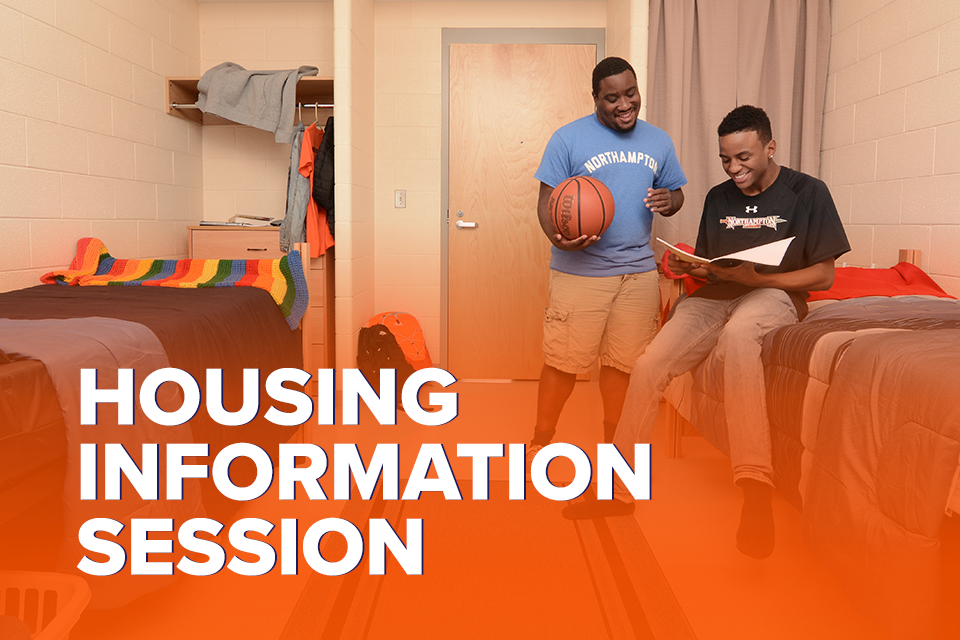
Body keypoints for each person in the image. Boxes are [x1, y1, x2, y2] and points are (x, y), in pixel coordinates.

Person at [564, 105, 850, 561]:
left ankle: (755, 489)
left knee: (739, 340)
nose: (733, 169)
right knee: (648, 364)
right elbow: (713, 264)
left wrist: (762, 280)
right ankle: (617, 491)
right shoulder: (719, 197)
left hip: (771, 295)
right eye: (725, 159)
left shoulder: (807, 193)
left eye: (744, 158)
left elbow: (823, 277)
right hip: (714, 297)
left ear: (770, 147)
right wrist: (687, 263)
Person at [529, 57, 687, 465]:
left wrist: (671, 201)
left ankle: (615, 452)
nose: (623, 104)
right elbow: (546, 207)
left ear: (638, 89)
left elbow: (675, 194)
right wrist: (564, 242)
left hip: (637, 273)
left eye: (630, 93)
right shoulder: (567, 139)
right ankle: (540, 443)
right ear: (596, 98)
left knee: (623, 366)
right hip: (580, 272)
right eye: (612, 97)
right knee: (563, 363)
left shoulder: (659, 141)